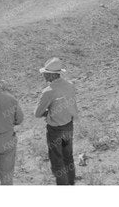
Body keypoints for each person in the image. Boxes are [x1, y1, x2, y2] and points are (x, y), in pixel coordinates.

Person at [34, 58, 77, 186]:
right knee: (68, 156)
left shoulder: (48, 91)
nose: (43, 75)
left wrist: (49, 113)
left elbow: (37, 113)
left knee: (57, 160)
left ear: (52, 74)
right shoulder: (70, 85)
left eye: (45, 73)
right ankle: (71, 183)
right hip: (68, 125)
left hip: (55, 130)